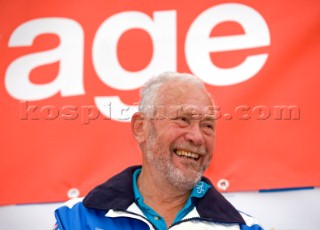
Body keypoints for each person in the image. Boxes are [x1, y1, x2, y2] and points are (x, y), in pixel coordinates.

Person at [54, 71, 263, 230]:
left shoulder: (244, 227)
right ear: (141, 128)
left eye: (208, 125)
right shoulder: (77, 218)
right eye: (183, 119)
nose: (197, 137)